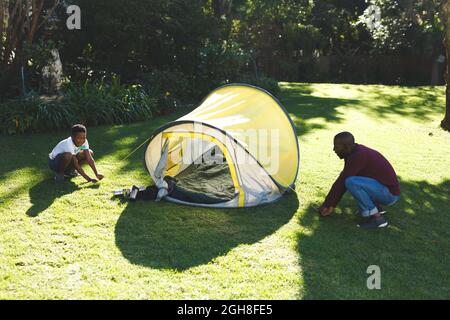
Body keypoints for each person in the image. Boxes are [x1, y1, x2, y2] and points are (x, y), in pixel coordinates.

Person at [318, 132, 400, 229]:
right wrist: (329, 203)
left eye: (337, 146)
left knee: (351, 182)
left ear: (346, 146)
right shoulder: (354, 152)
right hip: (385, 190)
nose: (334, 149)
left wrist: (328, 205)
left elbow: (342, 182)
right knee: (349, 179)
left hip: (389, 194)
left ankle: (378, 219)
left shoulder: (358, 156)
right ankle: (376, 207)